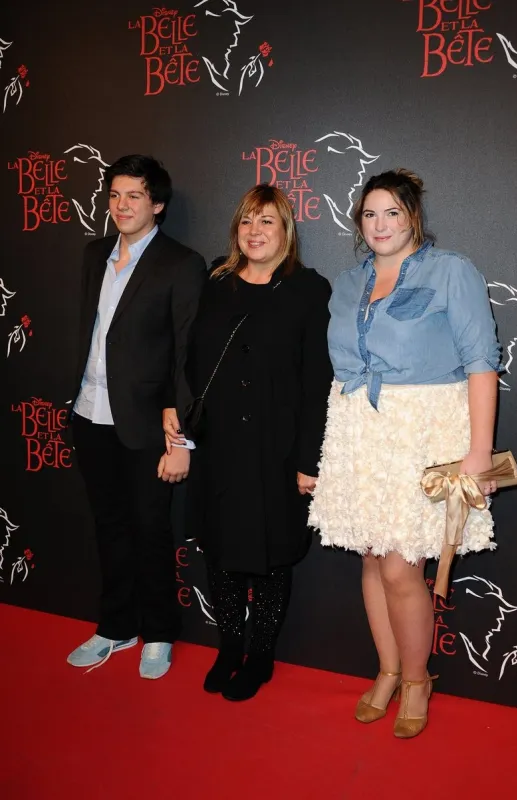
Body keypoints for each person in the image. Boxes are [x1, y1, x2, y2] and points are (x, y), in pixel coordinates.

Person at [309, 169, 501, 738]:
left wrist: (478, 453)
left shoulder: (452, 272)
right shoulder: (348, 282)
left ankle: (418, 679)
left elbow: (482, 364)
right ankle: (388, 669)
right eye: (369, 214)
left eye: (392, 212)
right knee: (372, 558)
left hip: (423, 432)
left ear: (413, 216)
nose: (380, 224)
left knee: (400, 566)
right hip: (358, 434)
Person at [164, 184, 332, 700]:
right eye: (246, 222)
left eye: (267, 223)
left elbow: (316, 381)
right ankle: (229, 648)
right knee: (220, 551)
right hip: (219, 448)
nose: (255, 232)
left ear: (286, 231)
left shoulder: (308, 289)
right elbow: (185, 356)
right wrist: (177, 415)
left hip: (276, 450)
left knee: (273, 556)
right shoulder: (215, 281)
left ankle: (259, 658)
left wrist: (308, 459)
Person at [67, 155, 206, 679]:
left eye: (134, 196)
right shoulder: (94, 254)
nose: (121, 206)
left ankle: (160, 633)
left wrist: (181, 440)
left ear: (158, 204)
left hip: (149, 424)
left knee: (150, 529)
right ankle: (115, 626)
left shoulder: (180, 263)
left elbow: (186, 354)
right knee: (109, 527)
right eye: (115, 196)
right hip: (88, 413)